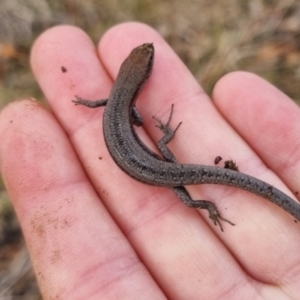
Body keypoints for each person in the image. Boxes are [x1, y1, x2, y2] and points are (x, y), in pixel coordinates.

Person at [0, 22, 300, 299]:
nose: (148, 55)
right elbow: (138, 120)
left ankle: (210, 208)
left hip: (162, 170)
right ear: (140, 82)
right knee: (191, 189)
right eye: (147, 64)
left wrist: (86, 103)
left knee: (188, 198)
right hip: (163, 166)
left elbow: (113, 109)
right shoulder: (127, 104)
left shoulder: (115, 98)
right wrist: (163, 134)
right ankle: (209, 205)